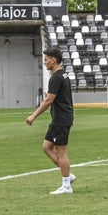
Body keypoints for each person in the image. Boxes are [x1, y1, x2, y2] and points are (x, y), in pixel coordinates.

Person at [26, 47, 75, 195]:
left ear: (53, 60)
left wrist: (33, 116)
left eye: (46, 59)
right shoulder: (63, 75)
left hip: (61, 119)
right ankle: (68, 175)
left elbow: (48, 101)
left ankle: (66, 185)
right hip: (60, 118)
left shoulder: (56, 78)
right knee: (47, 147)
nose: (45, 62)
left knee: (61, 152)